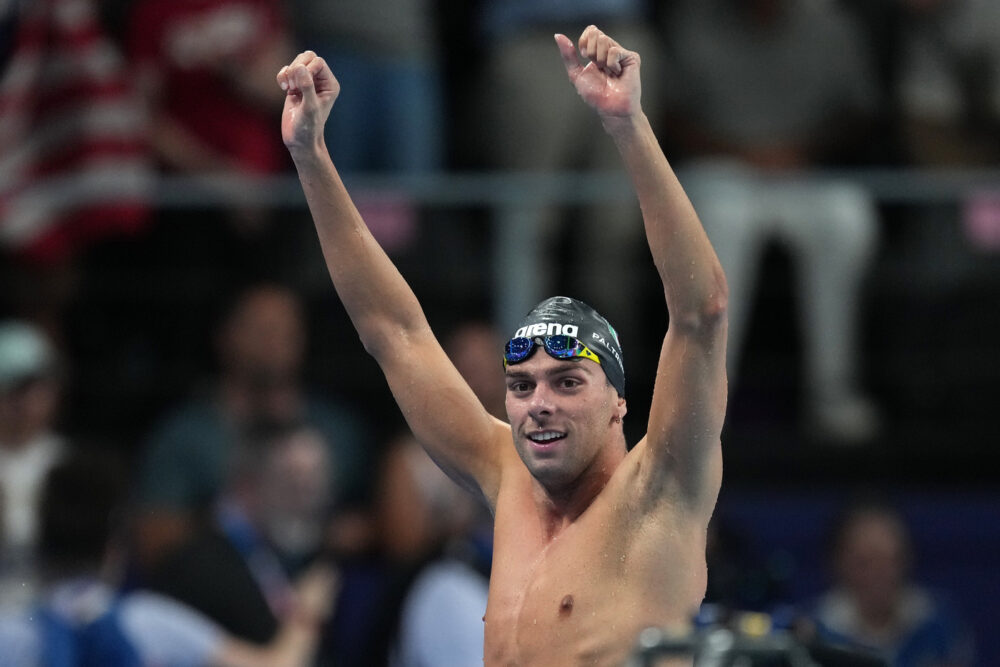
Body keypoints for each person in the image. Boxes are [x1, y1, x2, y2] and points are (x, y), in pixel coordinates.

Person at [277, 23, 728, 665]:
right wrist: (311, 158)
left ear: (619, 404)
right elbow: (394, 333)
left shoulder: (660, 494)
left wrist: (628, 126)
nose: (538, 402)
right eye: (521, 386)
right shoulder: (505, 475)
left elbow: (700, 311)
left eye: (567, 381)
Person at [662, 0, 883, 445]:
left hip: (802, 170)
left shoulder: (830, 25)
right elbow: (670, 116)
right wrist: (740, 153)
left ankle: (833, 397)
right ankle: (707, 406)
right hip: (721, 170)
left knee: (848, 219)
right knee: (721, 224)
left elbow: (859, 112)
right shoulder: (694, 22)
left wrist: (800, 151)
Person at [0, 448, 338, 667]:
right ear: (114, 548)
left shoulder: (11, 635)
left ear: (40, 547)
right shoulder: (150, 623)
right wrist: (306, 609)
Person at [133, 282, 372, 576]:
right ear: (224, 337)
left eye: (287, 329)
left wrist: (329, 532)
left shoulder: (338, 428)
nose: (274, 340)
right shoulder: (186, 434)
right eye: (261, 328)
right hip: (218, 596)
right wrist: (231, 520)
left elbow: (377, 526)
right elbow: (153, 540)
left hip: (318, 597)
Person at [803, 498, 975, 667]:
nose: (880, 575)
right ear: (839, 563)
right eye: (865, 562)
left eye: (890, 561)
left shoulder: (938, 624)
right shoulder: (814, 633)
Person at [0, 320, 68, 614]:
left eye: (36, 387)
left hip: (52, 620)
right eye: (14, 389)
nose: (25, 402)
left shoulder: (68, 463)